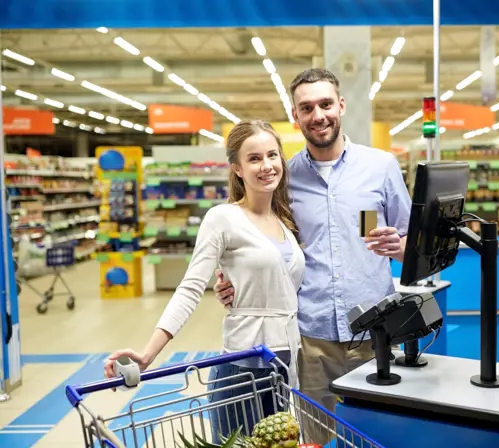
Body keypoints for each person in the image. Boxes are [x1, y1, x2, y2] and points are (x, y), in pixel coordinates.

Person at [213, 69, 412, 418]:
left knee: (375, 433)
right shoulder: (282, 179)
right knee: (317, 436)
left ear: (341, 105)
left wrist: (399, 246)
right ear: (295, 116)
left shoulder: (381, 167)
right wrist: (233, 281)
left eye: (325, 104)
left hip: (374, 333)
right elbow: (265, 246)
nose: (318, 116)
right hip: (310, 338)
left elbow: (414, 241)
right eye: (306, 108)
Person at [103, 120, 306, 443]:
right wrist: (148, 354)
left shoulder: (283, 222)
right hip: (243, 370)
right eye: (254, 158)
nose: (266, 166)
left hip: (284, 366)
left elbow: (283, 289)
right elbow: (190, 288)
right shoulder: (222, 218)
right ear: (237, 168)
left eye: (272, 155)